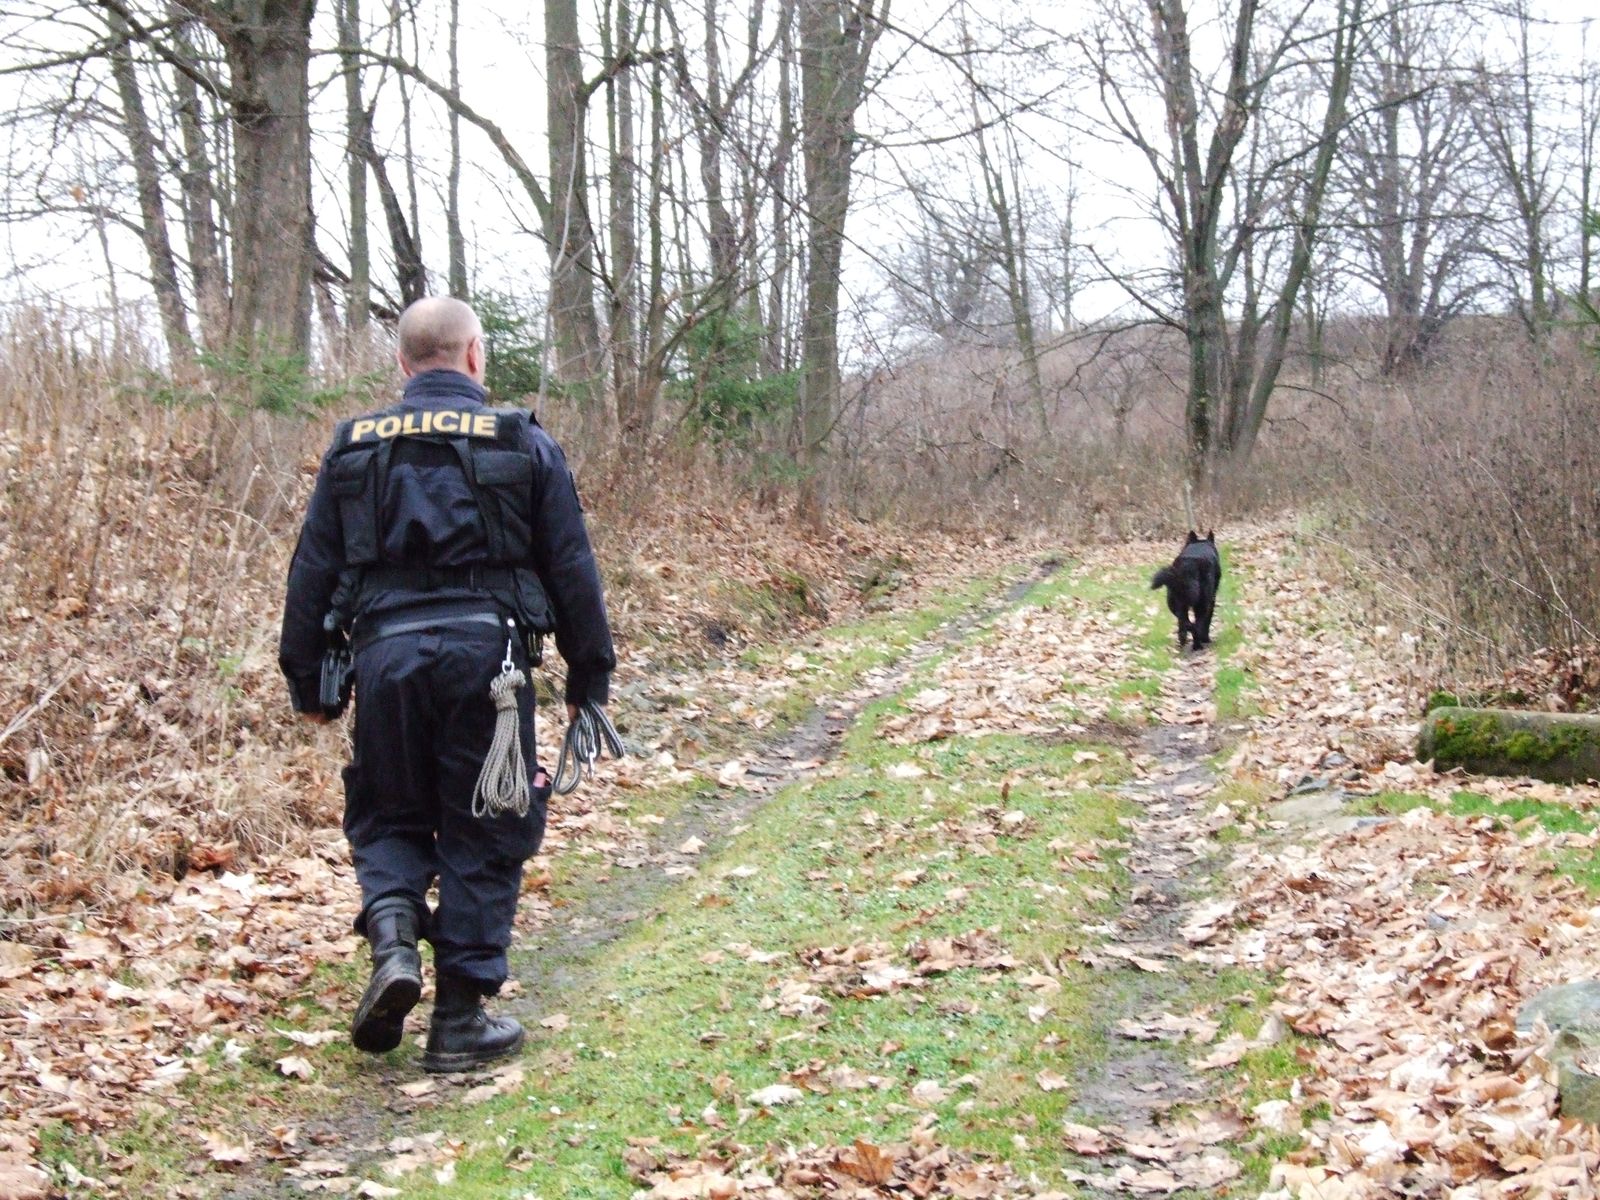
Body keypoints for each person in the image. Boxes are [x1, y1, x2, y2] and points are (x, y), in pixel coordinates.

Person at [279, 296, 615, 1072]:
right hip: (488, 665)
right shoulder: (521, 439)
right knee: (487, 822)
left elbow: (312, 572)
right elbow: (571, 566)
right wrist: (588, 675)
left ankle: (395, 940)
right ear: (474, 358)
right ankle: (460, 1019)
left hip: (385, 662)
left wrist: (308, 680)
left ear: (402, 365)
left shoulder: (352, 447)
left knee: (389, 811)